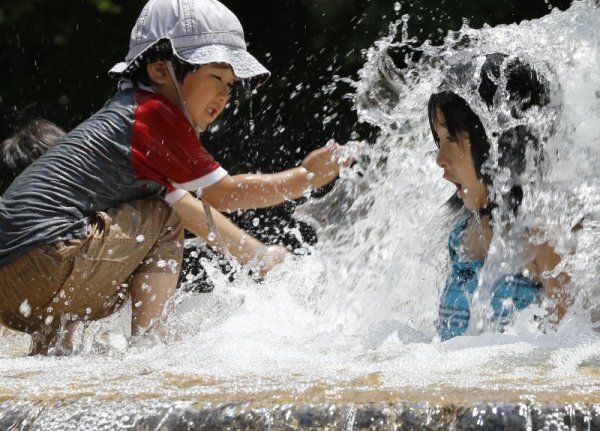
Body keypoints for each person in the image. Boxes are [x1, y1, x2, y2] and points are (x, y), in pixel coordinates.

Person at [0, 0, 347, 355]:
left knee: (126, 218)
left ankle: (49, 350)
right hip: (47, 259)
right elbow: (222, 196)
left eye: (231, 83)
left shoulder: (129, 124)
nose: (226, 94)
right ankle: (150, 347)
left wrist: (259, 256)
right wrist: (305, 177)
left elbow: (188, 206)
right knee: (162, 219)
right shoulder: (153, 116)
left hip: (11, 285)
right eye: (215, 76)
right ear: (160, 71)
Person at [428, 53, 570, 340]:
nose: (440, 159)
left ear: (498, 142)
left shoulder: (545, 238)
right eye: (439, 140)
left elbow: (573, 354)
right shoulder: (461, 234)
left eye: (452, 138)